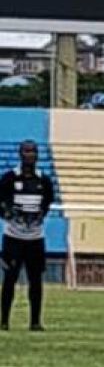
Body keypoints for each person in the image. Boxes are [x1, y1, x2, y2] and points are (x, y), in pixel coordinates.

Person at [0, 141, 54, 332]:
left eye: (33, 152)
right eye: (26, 151)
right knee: (9, 279)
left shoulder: (44, 181)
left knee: (36, 280)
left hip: (35, 239)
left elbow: (47, 203)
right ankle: (4, 320)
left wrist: (39, 215)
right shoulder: (9, 178)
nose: (30, 155)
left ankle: (35, 321)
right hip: (13, 238)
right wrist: (8, 213)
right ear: (20, 154)